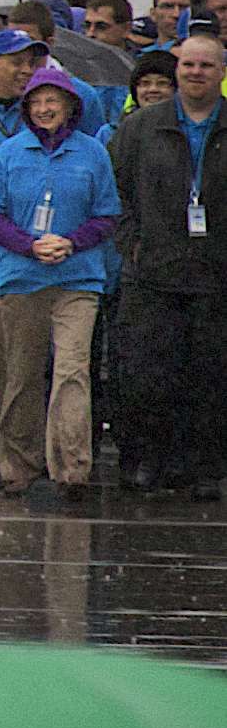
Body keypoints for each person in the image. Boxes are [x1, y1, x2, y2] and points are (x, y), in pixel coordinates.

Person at [0, 63, 116, 507]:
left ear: (71, 106)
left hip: (78, 278)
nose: (44, 109)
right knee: (20, 374)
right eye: (36, 102)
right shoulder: (10, 152)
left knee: (72, 370)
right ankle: (17, 467)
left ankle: (72, 469)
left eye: (52, 101)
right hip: (21, 277)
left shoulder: (93, 153)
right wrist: (30, 245)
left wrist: (72, 243)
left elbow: (108, 215)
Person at [106, 32, 227, 503]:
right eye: (188, 65)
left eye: (206, 66)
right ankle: (147, 461)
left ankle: (206, 467)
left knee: (211, 374)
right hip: (153, 270)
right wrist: (131, 243)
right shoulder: (142, 127)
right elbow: (113, 190)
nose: (195, 73)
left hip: (217, 274)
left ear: (220, 73)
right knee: (146, 374)